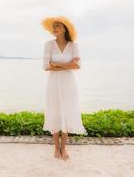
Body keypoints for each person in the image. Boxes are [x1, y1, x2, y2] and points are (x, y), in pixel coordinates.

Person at [41, 16, 87, 161]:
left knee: (67, 112)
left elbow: (78, 66)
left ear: (65, 29)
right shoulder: (48, 44)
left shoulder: (73, 45)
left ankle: (64, 148)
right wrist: (67, 65)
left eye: (58, 26)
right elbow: (46, 66)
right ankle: (56, 148)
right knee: (54, 112)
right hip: (54, 83)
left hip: (68, 83)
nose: (54, 29)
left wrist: (57, 64)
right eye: (53, 26)